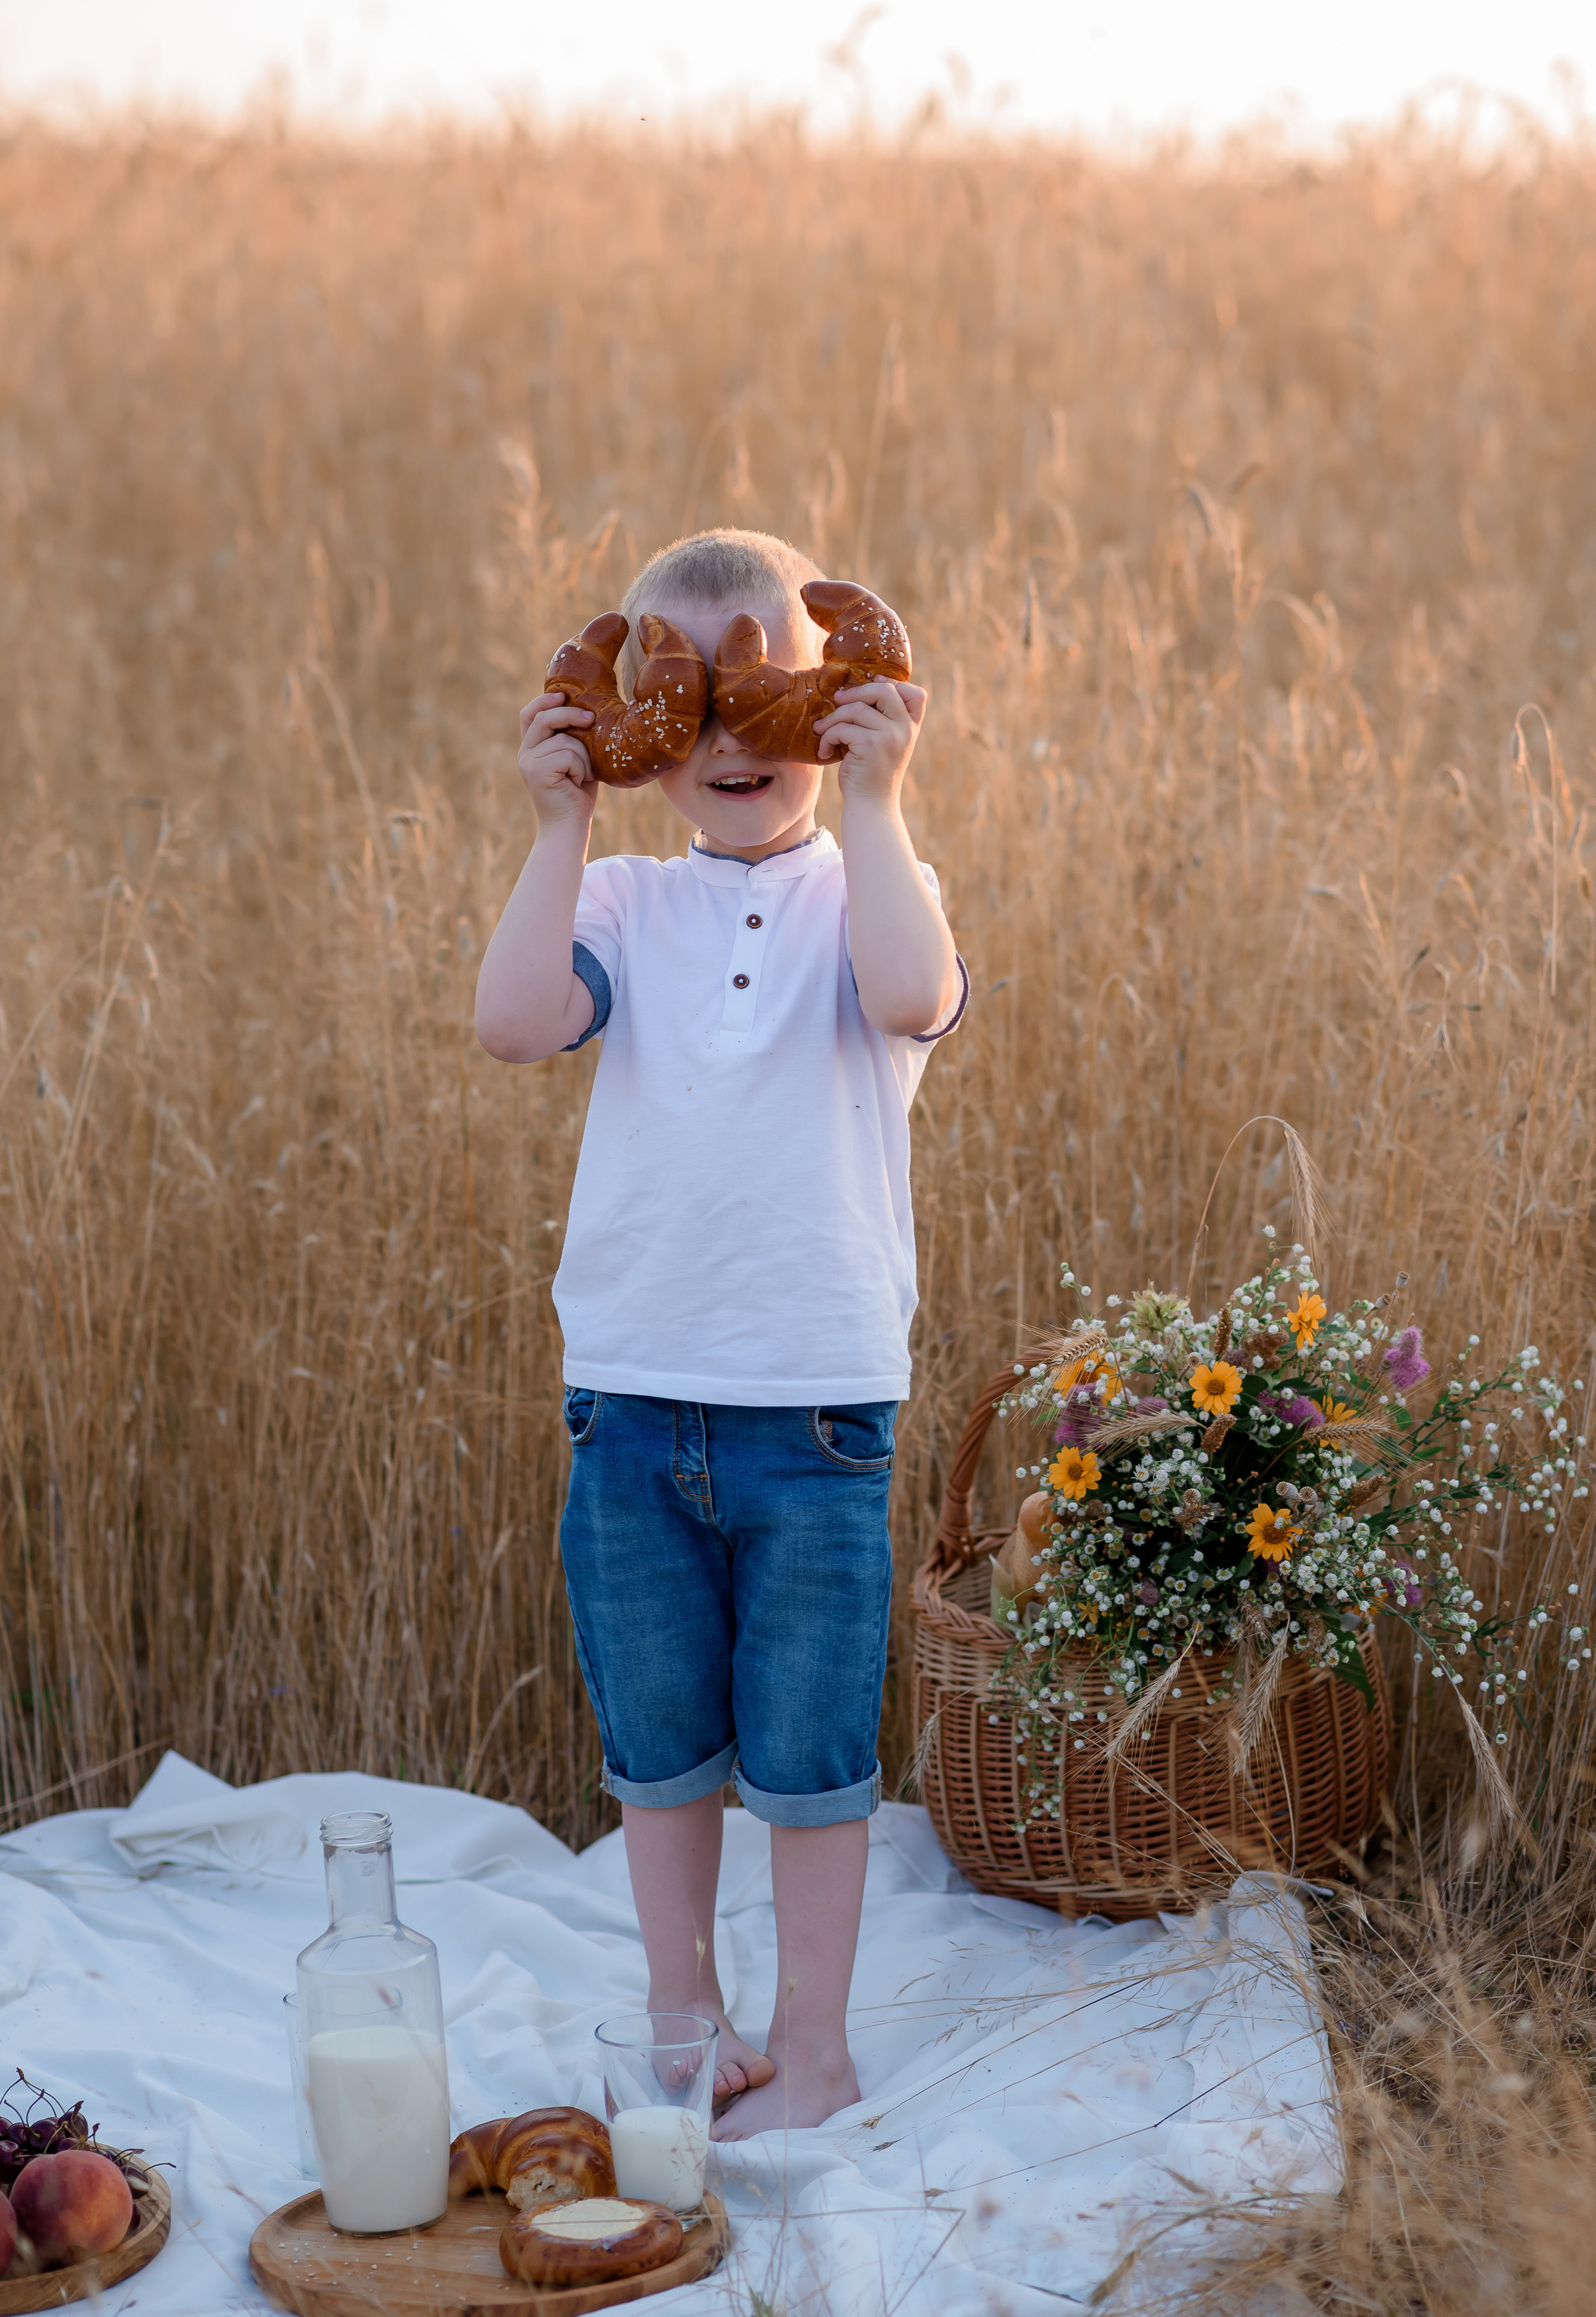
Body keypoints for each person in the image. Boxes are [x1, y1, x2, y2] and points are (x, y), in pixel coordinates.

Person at [474, 527, 965, 2136]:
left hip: (814, 1404)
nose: (725, 740)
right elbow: (512, 1024)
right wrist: (556, 823)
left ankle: (808, 2046)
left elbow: (907, 998)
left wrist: (883, 802)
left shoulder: (871, 888)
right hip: (627, 1393)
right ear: (636, 727)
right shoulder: (617, 896)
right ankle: (685, 2021)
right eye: (683, 699)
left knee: (815, 1754)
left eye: (766, 684)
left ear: (828, 701)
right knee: (661, 1742)